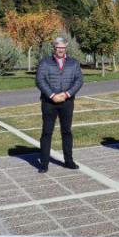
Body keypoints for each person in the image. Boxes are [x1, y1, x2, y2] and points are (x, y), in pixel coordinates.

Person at [35, 37, 83, 173]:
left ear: (66, 48)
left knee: (66, 131)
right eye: (58, 47)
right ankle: (44, 164)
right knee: (47, 132)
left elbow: (79, 80)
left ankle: (69, 161)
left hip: (67, 102)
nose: (60, 50)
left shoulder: (73, 63)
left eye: (63, 47)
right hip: (49, 102)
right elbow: (40, 80)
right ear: (54, 48)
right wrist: (52, 95)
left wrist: (67, 94)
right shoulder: (45, 62)